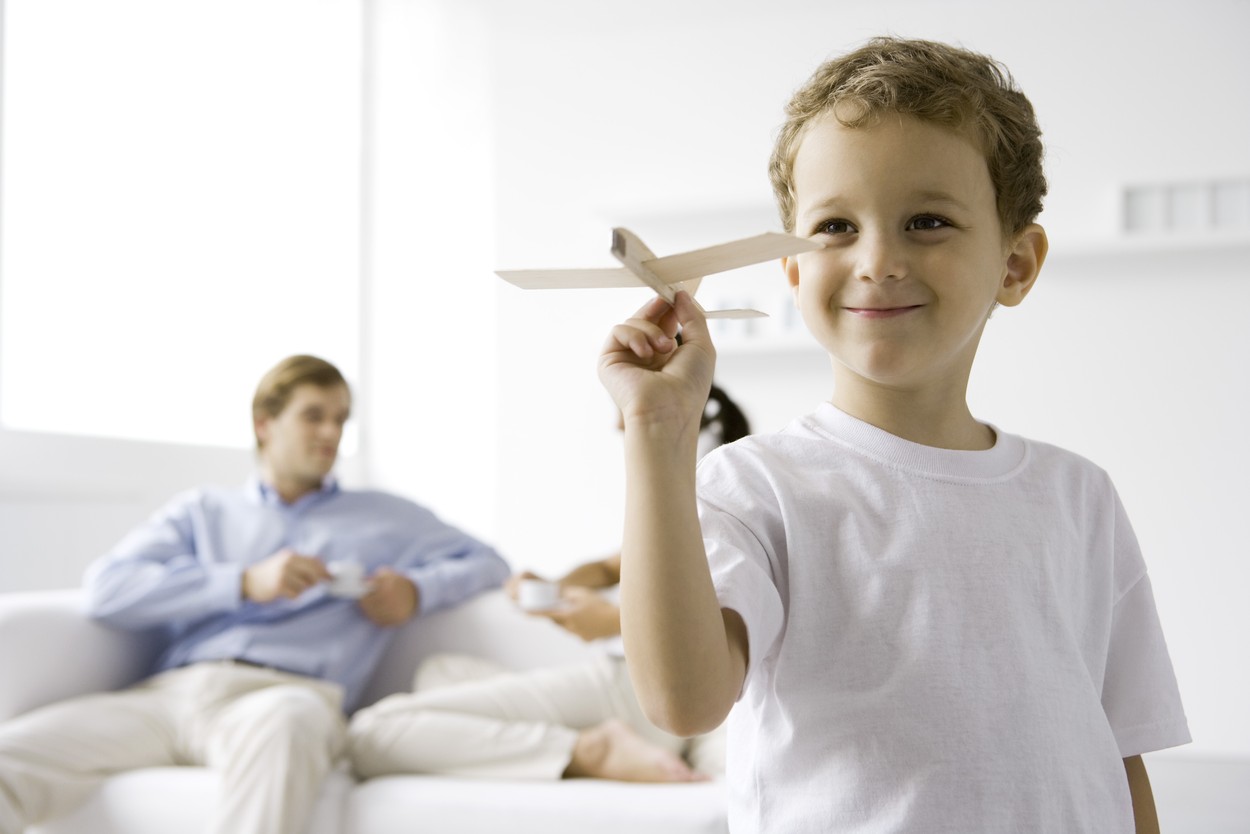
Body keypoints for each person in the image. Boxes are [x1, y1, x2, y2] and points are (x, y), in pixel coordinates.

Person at [596, 37, 1190, 833]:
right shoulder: (757, 489)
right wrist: (655, 434)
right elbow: (684, 700)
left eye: (927, 221)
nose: (878, 260)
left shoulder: (1078, 495)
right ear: (795, 272)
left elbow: (1118, 752)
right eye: (837, 226)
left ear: (1016, 263)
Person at [0, 354, 510, 834]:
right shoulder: (202, 512)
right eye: (314, 416)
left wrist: (418, 590)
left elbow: (491, 562)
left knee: (288, 725)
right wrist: (241, 582)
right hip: (171, 696)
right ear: (265, 423)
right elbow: (106, 591)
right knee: (10, 756)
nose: (332, 432)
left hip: (283, 697)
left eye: (341, 418)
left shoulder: (388, 517)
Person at [347, 385, 750, 784]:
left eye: (622, 412)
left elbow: (717, 623)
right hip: (627, 688)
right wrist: (554, 587)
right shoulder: (683, 500)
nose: (614, 425)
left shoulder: (712, 489)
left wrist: (612, 621)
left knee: (373, 731)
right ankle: (586, 742)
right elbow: (609, 568)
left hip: (635, 690)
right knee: (438, 673)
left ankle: (589, 750)